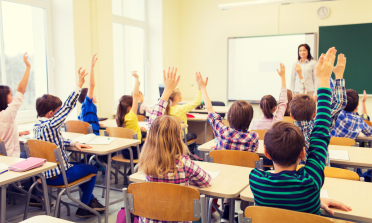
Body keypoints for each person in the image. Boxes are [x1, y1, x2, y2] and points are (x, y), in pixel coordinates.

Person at [249, 47, 352, 215]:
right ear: (304, 153)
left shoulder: (256, 181)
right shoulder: (311, 183)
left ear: (266, 152)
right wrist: (324, 79)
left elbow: (283, 198)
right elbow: (320, 134)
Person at [138, 67, 212, 223]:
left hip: (152, 219)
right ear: (178, 137)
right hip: (178, 219)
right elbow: (207, 181)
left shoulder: (147, 163)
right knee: (197, 209)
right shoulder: (184, 163)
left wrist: (166, 91)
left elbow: (153, 123)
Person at [33, 67, 105, 218]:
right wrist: (79, 83)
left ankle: (89, 201)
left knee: (82, 167)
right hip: (59, 174)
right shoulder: (51, 124)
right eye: (58, 111)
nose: (61, 114)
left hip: (45, 175)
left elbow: (54, 141)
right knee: (92, 169)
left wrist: (73, 142)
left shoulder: (38, 126)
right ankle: (84, 206)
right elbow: (67, 106)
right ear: (52, 113)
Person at [291, 53, 347, 165]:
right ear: (314, 114)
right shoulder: (321, 127)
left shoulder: (286, 133)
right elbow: (340, 103)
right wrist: (338, 74)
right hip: (321, 178)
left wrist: (301, 77)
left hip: (296, 179)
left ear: (291, 115)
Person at [0, 53, 31, 158]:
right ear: (3, 97)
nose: (13, 97)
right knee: (32, 153)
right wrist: (28, 67)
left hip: (3, 159)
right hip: (11, 158)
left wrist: (17, 133)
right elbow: (21, 91)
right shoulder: (7, 114)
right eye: (11, 94)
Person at [116, 72, 146, 159]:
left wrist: (138, 129)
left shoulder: (120, 117)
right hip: (135, 151)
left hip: (124, 151)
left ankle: (134, 170)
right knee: (154, 145)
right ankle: (138, 170)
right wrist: (136, 79)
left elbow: (129, 129)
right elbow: (135, 96)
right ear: (130, 108)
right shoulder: (131, 116)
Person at [250, 63, 288, 130]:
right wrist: (283, 77)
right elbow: (283, 102)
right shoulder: (277, 122)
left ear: (260, 107)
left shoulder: (255, 122)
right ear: (274, 108)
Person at [78, 53, 100, 135]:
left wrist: (96, 121)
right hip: (93, 138)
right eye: (93, 94)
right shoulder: (88, 105)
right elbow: (92, 85)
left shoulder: (84, 109)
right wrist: (92, 66)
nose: (95, 95)